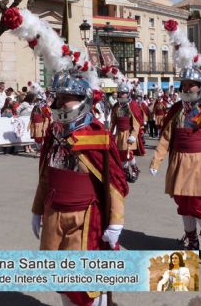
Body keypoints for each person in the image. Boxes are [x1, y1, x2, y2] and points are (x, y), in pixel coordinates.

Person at [31, 70, 128, 306]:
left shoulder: (97, 135)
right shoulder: (53, 135)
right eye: (58, 97)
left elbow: (114, 183)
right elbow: (46, 177)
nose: (59, 103)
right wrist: (36, 210)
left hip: (85, 219)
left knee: (85, 285)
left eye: (66, 98)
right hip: (54, 216)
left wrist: (116, 221)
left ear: (83, 100)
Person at [150, 70, 201, 262]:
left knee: (198, 204)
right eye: (184, 84)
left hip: (199, 163)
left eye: (190, 84)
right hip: (179, 162)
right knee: (183, 204)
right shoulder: (177, 108)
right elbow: (166, 137)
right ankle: (192, 239)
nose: (186, 88)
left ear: (200, 86)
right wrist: (156, 161)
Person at [110, 83, 143, 183]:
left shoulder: (132, 105)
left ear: (127, 93)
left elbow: (136, 123)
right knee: (121, 154)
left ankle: (134, 169)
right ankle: (125, 171)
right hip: (119, 134)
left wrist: (133, 135)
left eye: (124, 93)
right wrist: (110, 133)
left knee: (129, 153)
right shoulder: (116, 106)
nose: (122, 95)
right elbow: (113, 121)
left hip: (128, 133)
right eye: (120, 93)